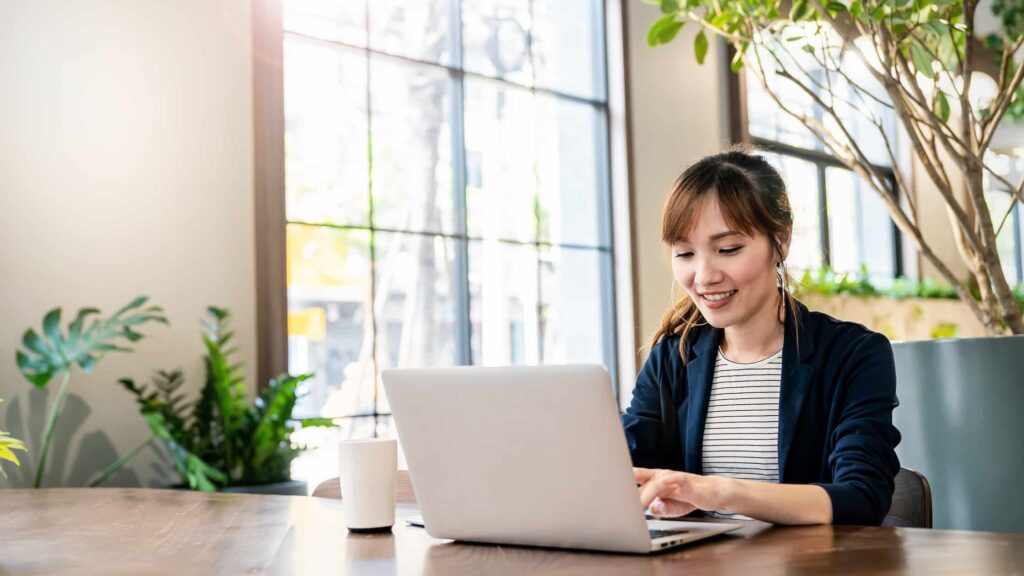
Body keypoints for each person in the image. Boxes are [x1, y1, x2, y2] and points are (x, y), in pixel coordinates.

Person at [623, 148, 901, 525]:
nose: (703, 276)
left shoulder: (852, 354)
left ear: (781, 241)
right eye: (685, 253)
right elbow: (621, 466)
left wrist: (719, 491)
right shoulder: (674, 358)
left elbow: (862, 496)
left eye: (728, 249)